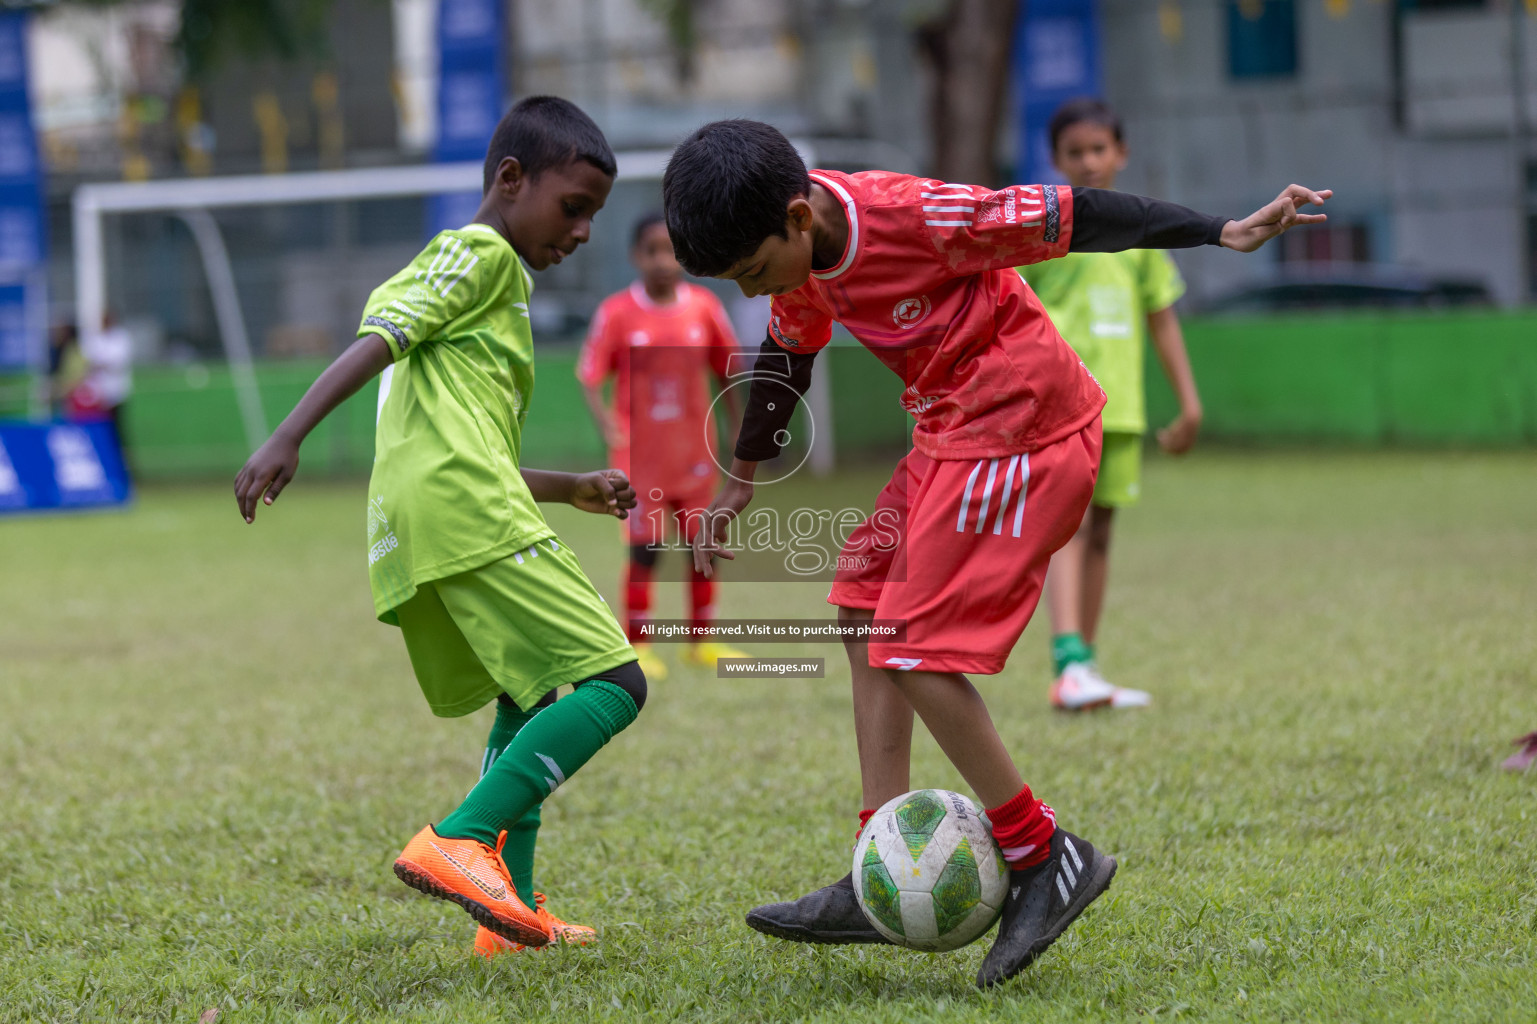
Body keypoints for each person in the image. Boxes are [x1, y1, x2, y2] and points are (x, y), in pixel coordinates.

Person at [664, 119, 1328, 988]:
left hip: (1026, 426)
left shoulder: (920, 216)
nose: (753, 292)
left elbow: (1077, 212)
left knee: (910, 643)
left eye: (752, 272)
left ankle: (1043, 852)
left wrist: (1219, 229)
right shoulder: (799, 252)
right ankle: (880, 857)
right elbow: (788, 352)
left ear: (797, 216)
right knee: (860, 604)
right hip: (951, 433)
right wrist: (742, 477)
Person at [234, 96, 644, 957]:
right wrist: (288, 432)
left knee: (527, 694)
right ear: (510, 178)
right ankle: (461, 838)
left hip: (424, 517)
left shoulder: (476, 287)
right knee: (615, 683)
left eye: (593, 217)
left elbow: (463, 442)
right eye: (573, 207)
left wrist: (566, 486)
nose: (579, 233)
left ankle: (510, 915)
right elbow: (379, 338)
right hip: (463, 512)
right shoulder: (481, 254)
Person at [1020, 97, 1202, 712]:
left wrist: (1189, 403)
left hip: (1120, 408)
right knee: (1066, 529)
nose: (1090, 162)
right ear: (1057, 160)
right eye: (1076, 152)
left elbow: (1163, 320)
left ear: (1121, 154)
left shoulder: (1144, 234)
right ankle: (1066, 662)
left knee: (1100, 532)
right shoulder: (1047, 227)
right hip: (1060, 405)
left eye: (1099, 149)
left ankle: (1084, 666)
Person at [577, 212, 747, 679]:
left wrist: (738, 429)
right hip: (640, 459)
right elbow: (590, 376)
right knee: (645, 551)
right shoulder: (616, 313)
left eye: (670, 250)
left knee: (702, 544)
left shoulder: (705, 307)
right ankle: (638, 644)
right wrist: (609, 427)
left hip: (695, 454)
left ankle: (702, 642)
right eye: (652, 250)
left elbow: (728, 371)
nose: (662, 260)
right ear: (636, 256)